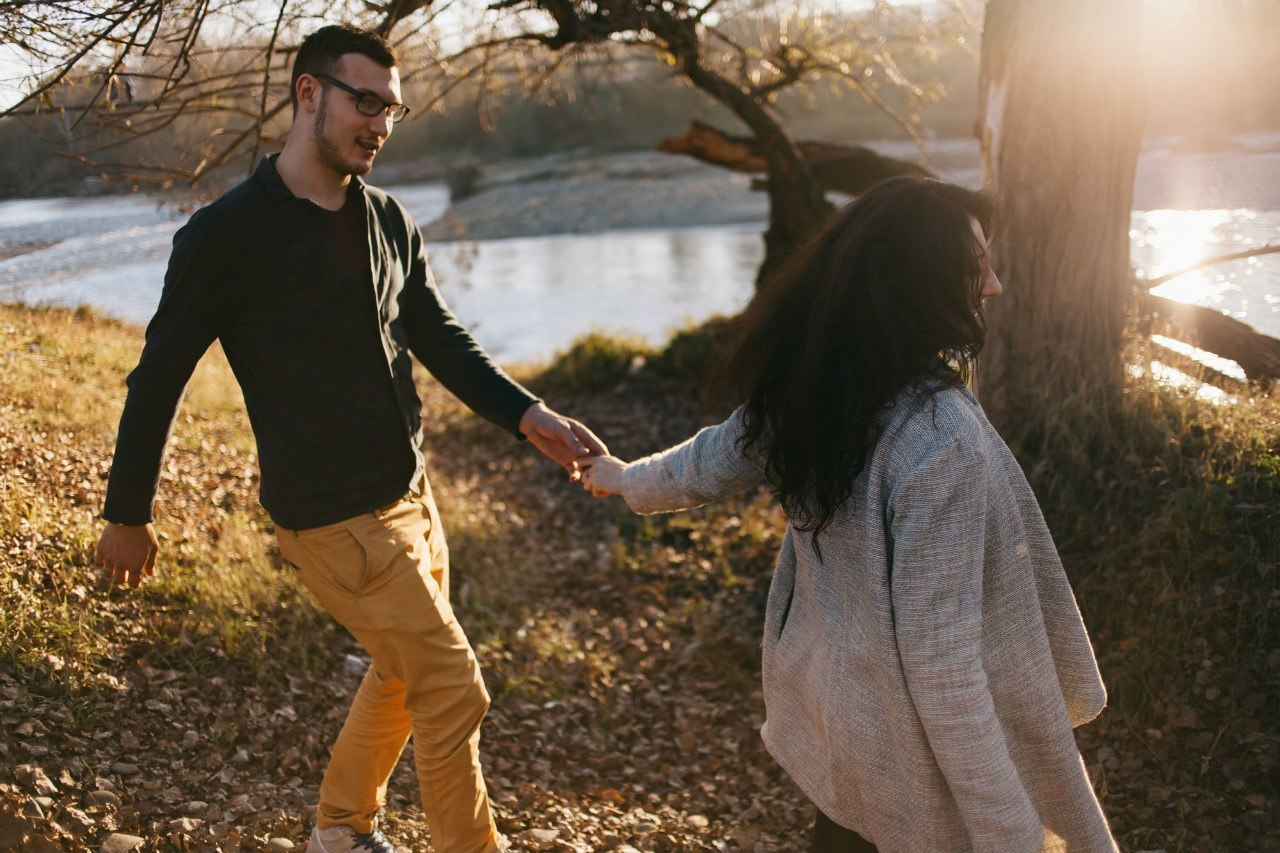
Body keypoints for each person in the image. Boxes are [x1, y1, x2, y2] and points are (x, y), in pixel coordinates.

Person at [93, 24, 605, 853]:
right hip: (332, 519)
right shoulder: (225, 237)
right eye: (365, 102)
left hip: (410, 495)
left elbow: (438, 337)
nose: (380, 123)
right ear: (308, 93)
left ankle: (340, 829)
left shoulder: (388, 219)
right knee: (452, 688)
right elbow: (158, 377)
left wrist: (527, 413)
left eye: (392, 110)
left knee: (405, 676)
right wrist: (128, 511)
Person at [580, 176, 1119, 853]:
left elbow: (711, 460)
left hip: (846, 728)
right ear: (919, 282)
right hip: (913, 753)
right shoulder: (939, 435)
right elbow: (943, 666)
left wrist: (623, 479)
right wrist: (1011, 833)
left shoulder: (824, 383)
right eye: (976, 266)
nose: (995, 287)